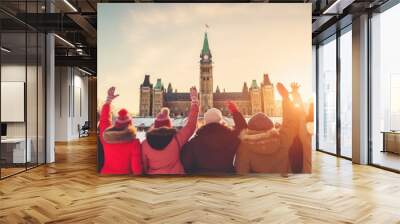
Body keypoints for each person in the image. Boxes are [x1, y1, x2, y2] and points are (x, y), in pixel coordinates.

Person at [234, 82, 300, 175]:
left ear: (250, 129)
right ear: (271, 126)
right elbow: (291, 121)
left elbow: (241, 173)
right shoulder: (283, 139)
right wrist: (286, 98)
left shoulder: (244, 147)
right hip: (284, 186)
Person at [141, 87, 199, 175]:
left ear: (155, 125)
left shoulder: (145, 144)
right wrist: (194, 103)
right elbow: (191, 126)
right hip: (176, 180)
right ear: (169, 124)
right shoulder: (177, 139)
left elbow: (143, 166)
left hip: (154, 182)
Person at [180, 101, 247, 174]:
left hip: (202, 182)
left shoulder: (194, 142)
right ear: (221, 121)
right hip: (226, 181)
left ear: (205, 122)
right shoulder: (231, 138)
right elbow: (243, 129)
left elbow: (186, 164)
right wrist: (235, 111)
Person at [99, 87, 142, 175]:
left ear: (116, 124)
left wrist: (108, 101)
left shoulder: (106, 137)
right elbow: (136, 169)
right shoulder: (134, 143)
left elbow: (104, 120)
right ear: (130, 126)